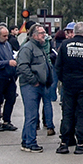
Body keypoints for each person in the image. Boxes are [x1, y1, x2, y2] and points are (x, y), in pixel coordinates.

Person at [55, 21, 83, 154]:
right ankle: (81, 143)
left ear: (74, 32)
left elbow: (58, 66)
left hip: (69, 85)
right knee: (82, 113)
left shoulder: (64, 45)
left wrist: (64, 79)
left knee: (67, 113)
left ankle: (64, 143)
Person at [16, 24, 53, 152]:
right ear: (35, 35)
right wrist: (34, 81)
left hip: (40, 85)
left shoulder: (40, 47)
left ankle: (26, 141)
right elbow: (22, 67)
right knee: (32, 115)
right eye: (42, 33)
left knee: (32, 115)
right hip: (30, 86)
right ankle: (31, 143)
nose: (45, 35)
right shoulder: (27, 48)